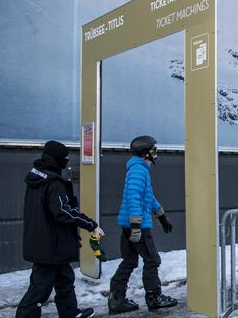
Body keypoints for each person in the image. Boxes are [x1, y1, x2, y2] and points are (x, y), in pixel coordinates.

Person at [16, 140, 104, 318]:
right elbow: (64, 211)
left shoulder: (37, 178)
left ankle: (70, 313)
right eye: (64, 159)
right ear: (55, 160)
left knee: (65, 280)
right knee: (39, 289)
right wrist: (90, 224)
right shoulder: (53, 183)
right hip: (50, 246)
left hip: (50, 242)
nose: (67, 162)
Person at [108, 135, 177, 314]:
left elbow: (147, 196)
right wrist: (137, 226)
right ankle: (154, 298)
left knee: (129, 261)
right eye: (153, 150)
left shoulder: (140, 168)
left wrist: (161, 215)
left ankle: (116, 300)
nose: (156, 153)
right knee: (152, 259)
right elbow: (134, 197)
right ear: (144, 153)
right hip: (136, 224)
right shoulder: (138, 169)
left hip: (130, 222)